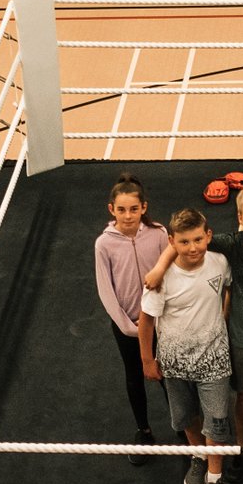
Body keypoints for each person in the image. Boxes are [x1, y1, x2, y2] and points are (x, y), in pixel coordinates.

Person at [148, 186, 243, 463]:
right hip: (242, 341)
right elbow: (183, 241)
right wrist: (159, 268)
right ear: (240, 217)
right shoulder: (232, 244)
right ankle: (242, 448)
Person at [138, 208, 235, 484]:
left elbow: (228, 289)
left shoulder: (220, 262)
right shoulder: (161, 279)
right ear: (172, 242)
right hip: (174, 364)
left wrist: (223, 320)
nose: (193, 248)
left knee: (217, 419)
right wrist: (147, 360)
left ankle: (215, 479)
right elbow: (146, 320)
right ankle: (199, 456)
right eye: (184, 242)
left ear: (208, 236)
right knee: (186, 417)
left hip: (215, 360)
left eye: (198, 239)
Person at [94, 173, 169, 463]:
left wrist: (160, 320)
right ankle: (144, 430)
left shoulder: (159, 234)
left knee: (168, 375)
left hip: (162, 321)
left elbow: (168, 276)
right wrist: (128, 326)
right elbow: (105, 289)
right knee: (134, 376)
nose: (128, 215)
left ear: (144, 208)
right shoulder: (104, 244)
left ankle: (183, 429)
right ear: (111, 209)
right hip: (127, 325)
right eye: (122, 209)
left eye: (134, 209)